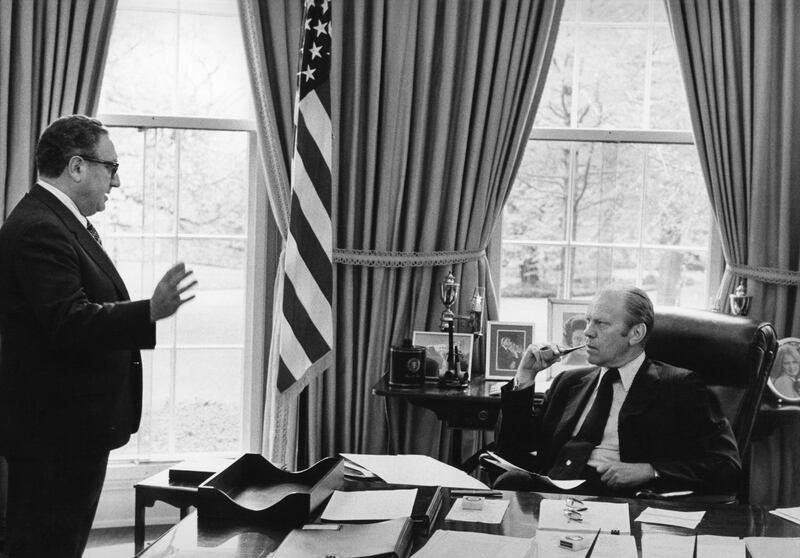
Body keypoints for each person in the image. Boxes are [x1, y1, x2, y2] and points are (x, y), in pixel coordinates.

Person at [0, 115, 198, 558]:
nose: (117, 180)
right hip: (55, 435)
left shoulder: (54, 220)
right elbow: (70, 321)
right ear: (76, 166)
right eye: (110, 167)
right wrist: (150, 311)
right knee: (44, 547)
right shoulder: (40, 227)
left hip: (68, 431)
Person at [493, 287, 741, 497]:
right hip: (552, 493)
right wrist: (525, 377)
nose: (588, 331)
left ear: (636, 333)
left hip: (619, 500)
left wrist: (649, 470)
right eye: (588, 320)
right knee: (509, 483)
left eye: (600, 323)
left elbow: (726, 465)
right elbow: (512, 448)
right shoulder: (568, 382)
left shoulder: (680, 386)